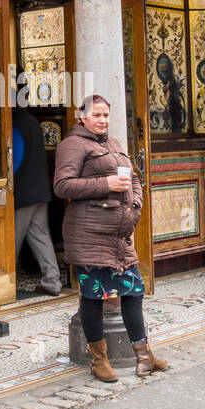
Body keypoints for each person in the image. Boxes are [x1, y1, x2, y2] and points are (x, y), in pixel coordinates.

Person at [52, 93, 167, 381]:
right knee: (93, 297)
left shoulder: (113, 144)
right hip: (89, 234)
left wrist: (136, 205)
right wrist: (106, 183)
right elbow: (62, 186)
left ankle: (143, 357)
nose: (103, 121)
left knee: (133, 291)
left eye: (106, 115)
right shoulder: (72, 145)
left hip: (119, 236)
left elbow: (134, 178)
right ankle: (99, 360)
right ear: (82, 116)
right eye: (96, 115)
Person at [12, 104, 62, 296]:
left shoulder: (15, 122)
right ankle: (52, 282)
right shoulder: (31, 121)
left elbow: (14, 161)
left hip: (23, 192)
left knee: (11, 240)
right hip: (39, 190)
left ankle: (3, 285)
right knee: (40, 236)